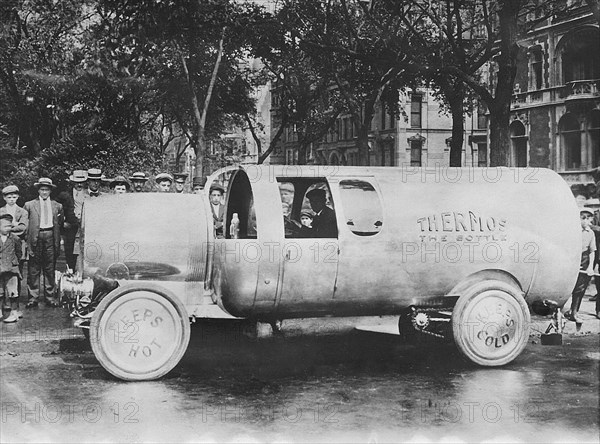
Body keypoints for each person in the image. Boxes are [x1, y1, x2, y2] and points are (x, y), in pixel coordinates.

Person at [24, 178, 64, 308]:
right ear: (38, 190)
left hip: (50, 236)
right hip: (36, 236)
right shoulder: (29, 205)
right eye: (42, 189)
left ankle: (50, 296)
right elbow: (25, 225)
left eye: (47, 189)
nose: (44, 192)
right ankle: (33, 297)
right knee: (33, 268)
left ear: (50, 190)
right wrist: (27, 241)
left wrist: (58, 240)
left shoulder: (57, 206)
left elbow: (60, 224)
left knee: (49, 268)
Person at [564, 208, 596, 323]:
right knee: (566, 288)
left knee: (580, 290)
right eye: (583, 218)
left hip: (584, 261)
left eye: (588, 218)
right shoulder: (573, 231)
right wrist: (571, 264)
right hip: (572, 260)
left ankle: (574, 312)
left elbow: (592, 251)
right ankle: (558, 312)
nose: (585, 220)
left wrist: (590, 267)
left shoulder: (591, 233)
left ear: (591, 219)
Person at [55, 170, 85, 271]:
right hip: (71, 227)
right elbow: (56, 208)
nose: (79, 184)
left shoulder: (88, 194)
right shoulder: (65, 195)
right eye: (77, 182)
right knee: (70, 249)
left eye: (81, 182)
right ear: (73, 182)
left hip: (87, 226)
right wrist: (62, 222)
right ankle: (71, 270)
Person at [0, 214, 22, 323]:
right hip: (0, 268)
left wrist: (15, 262)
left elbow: (19, 252)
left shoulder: (15, 238)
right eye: (5, 226)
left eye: (9, 226)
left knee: (13, 291)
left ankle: (14, 312)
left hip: (12, 268)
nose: (7, 228)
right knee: (0, 291)